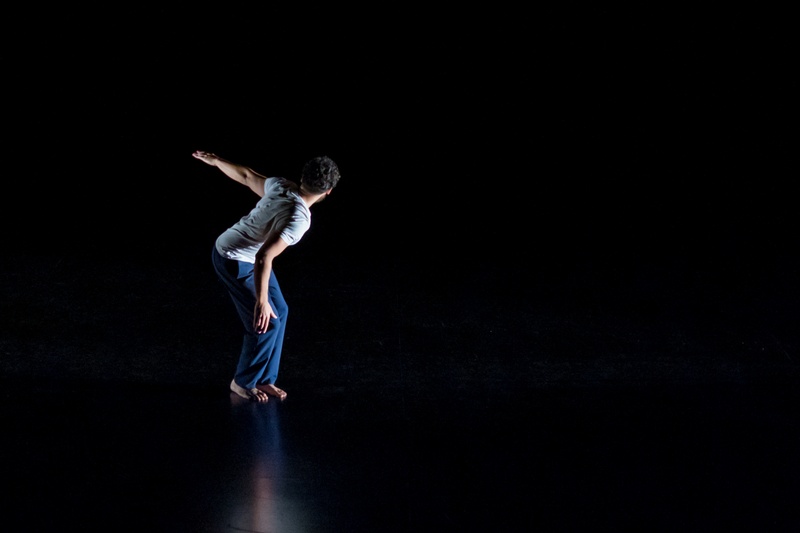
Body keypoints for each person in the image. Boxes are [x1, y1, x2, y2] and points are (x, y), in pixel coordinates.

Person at [193, 150, 341, 402]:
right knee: (265, 321)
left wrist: (217, 161)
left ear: (302, 177)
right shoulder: (299, 219)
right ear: (328, 192)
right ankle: (242, 382)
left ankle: (264, 379)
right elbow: (264, 257)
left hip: (249, 258)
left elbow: (247, 175)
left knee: (279, 311)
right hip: (232, 258)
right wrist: (261, 302)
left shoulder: (282, 185)